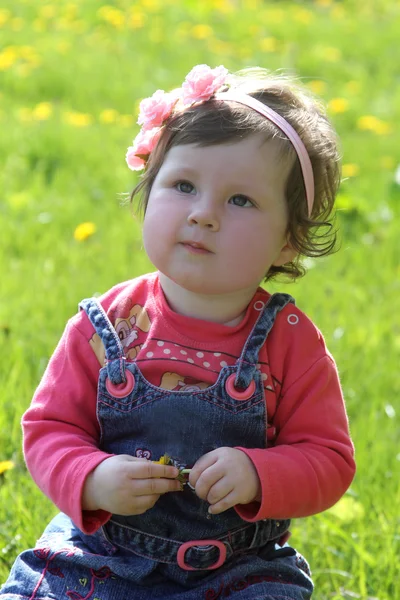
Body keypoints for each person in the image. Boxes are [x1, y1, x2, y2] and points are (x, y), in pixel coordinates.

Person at [1, 64, 355, 600]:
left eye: (240, 200)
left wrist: (261, 473)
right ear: (149, 188)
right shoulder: (107, 325)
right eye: (184, 185)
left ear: (287, 241)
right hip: (103, 555)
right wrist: (93, 478)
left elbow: (328, 459)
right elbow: (49, 430)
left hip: (239, 567)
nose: (203, 214)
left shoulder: (290, 341)